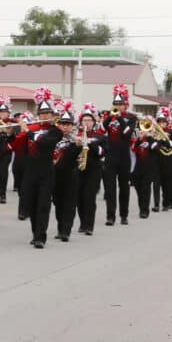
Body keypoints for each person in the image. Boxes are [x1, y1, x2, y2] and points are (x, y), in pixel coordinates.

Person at [16, 88, 62, 248]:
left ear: (52, 115)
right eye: (42, 113)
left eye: (48, 113)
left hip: (46, 172)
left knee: (43, 204)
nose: (45, 116)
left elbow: (44, 143)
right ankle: (35, 233)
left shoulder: (56, 131)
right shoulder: (33, 128)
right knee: (32, 204)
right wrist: (12, 134)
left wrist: (27, 131)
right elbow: (18, 146)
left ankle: (40, 237)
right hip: (30, 171)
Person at [102, 83, 137, 227]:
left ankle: (124, 215)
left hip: (124, 156)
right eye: (115, 104)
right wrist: (110, 117)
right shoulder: (107, 117)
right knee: (110, 188)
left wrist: (120, 118)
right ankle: (110, 216)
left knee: (124, 187)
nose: (118, 106)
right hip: (110, 156)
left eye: (120, 104)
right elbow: (102, 130)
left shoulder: (131, 118)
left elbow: (127, 133)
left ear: (125, 104)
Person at [75, 105, 106, 236]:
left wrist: (90, 143)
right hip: (78, 169)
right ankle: (82, 223)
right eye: (84, 120)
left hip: (93, 170)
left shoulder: (100, 137)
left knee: (89, 197)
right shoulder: (76, 136)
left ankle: (89, 225)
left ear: (94, 122)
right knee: (79, 197)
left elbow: (102, 152)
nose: (87, 123)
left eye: (89, 120)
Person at [50, 103, 79, 242]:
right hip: (55, 175)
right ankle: (60, 228)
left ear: (72, 126)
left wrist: (77, 147)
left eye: (68, 124)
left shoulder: (77, 140)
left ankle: (66, 231)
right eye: (63, 124)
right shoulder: (53, 139)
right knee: (58, 203)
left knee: (69, 204)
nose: (65, 127)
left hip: (70, 175)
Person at [0, 98, 15, 204]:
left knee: (3, 173)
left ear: (8, 113)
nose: (3, 114)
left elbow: (13, 138)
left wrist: (7, 131)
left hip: (6, 152)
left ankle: (2, 194)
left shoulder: (11, 123)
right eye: (1, 112)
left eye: (5, 112)